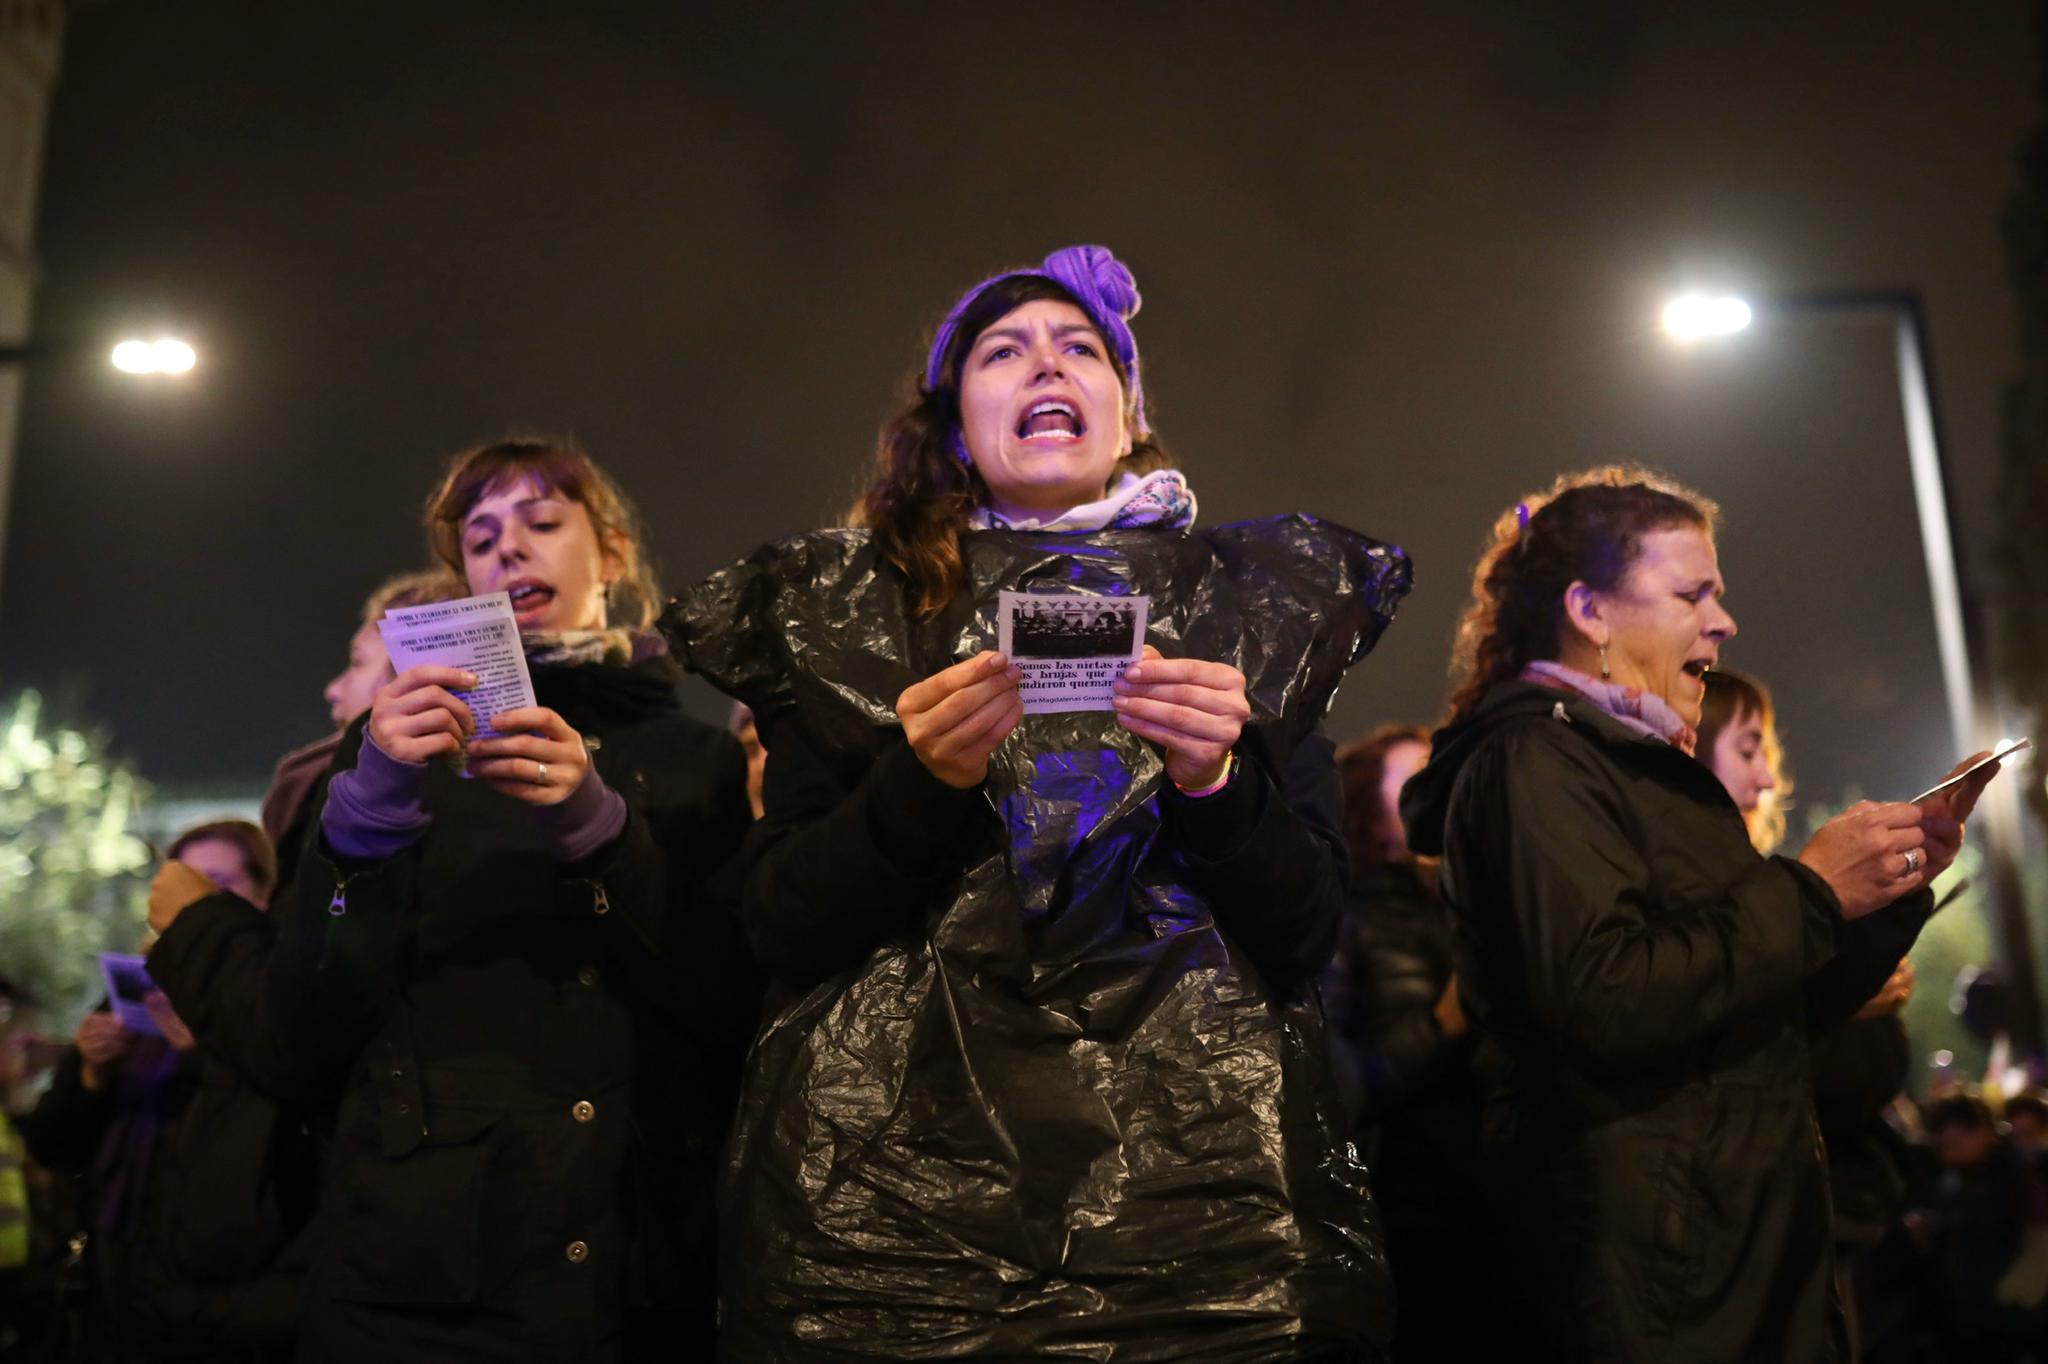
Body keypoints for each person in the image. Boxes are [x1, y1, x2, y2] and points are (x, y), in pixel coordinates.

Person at [671, 245, 1405, 1359]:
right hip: (894, 1227)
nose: (1043, 364)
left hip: (1198, 1226)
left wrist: (1213, 783)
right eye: (1001, 351)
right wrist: (919, 787)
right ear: (955, 423)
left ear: (1126, 410)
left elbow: (1303, 931)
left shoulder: (1246, 616)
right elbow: (780, 923)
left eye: (1078, 348)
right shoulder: (836, 619)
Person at [146, 438, 754, 1361]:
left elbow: (726, 1005)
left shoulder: (694, 759)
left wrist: (603, 831)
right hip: (416, 1282)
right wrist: (365, 819)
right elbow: (305, 1027)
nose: (509, 550)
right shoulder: (392, 752)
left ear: (613, 553)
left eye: (544, 523)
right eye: (480, 538)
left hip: (631, 1276)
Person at [1399, 467, 1999, 1363]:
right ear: (1590, 612)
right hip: (1654, 1287)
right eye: (1692, 593)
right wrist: (1809, 890)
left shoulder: (1640, 767)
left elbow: (1753, 1011)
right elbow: (1602, 996)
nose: (1723, 621)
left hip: (1732, 1263)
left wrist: (1883, 891)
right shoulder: (1534, 763)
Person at [19, 820, 312, 1362]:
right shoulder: (137, 993)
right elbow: (52, 1145)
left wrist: (206, 1055)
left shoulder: (273, 1006)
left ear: (264, 894)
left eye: (219, 885)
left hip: (226, 1313)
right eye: (185, 885)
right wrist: (91, 1074)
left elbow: (288, 1140)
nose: (195, 903)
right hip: (119, 1292)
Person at [1320, 725, 1503, 1363]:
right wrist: (1442, 1025)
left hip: (1492, 1202)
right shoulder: (1346, 918)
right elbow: (1340, 1089)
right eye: (1413, 777)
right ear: (1370, 807)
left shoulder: (1473, 901)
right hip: (1409, 1210)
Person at [262, 569, 458, 895]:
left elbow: (301, 936)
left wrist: (202, 911)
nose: (333, 690)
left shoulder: (317, 786)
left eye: (357, 661)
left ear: (411, 677)